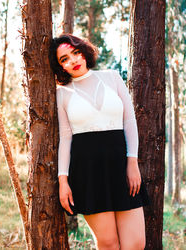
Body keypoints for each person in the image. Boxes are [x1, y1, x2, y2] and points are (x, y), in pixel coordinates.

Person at [49, 34, 149, 250]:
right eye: (64, 59)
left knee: (136, 244)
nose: (73, 60)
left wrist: (132, 163)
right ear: (60, 67)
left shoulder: (111, 77)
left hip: (121, 168)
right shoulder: (62, 93)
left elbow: (129, 120)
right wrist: (63, 181)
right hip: (88, 172)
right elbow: (66, 137)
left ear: (84, 51)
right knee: (108, 244)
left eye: (75, 53)